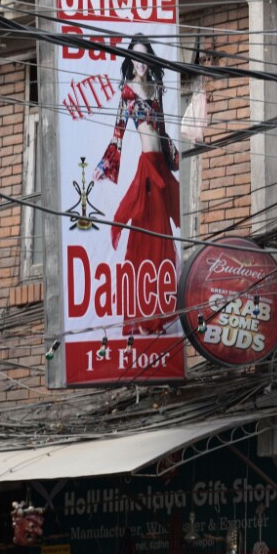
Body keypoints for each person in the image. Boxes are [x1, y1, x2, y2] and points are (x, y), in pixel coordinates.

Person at [94, 35, 181, 335]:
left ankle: (156, 314)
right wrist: (104, 165)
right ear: (131, 60)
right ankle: (144, 319)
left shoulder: (155, 89)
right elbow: (118, 132)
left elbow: (164, 131)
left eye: (145, 57)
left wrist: (175, 157)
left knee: (163, 239)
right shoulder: (128, 92)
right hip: (147, 169)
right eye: (137, 57)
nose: (141, 63)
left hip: (161, 166)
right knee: (146, 238)